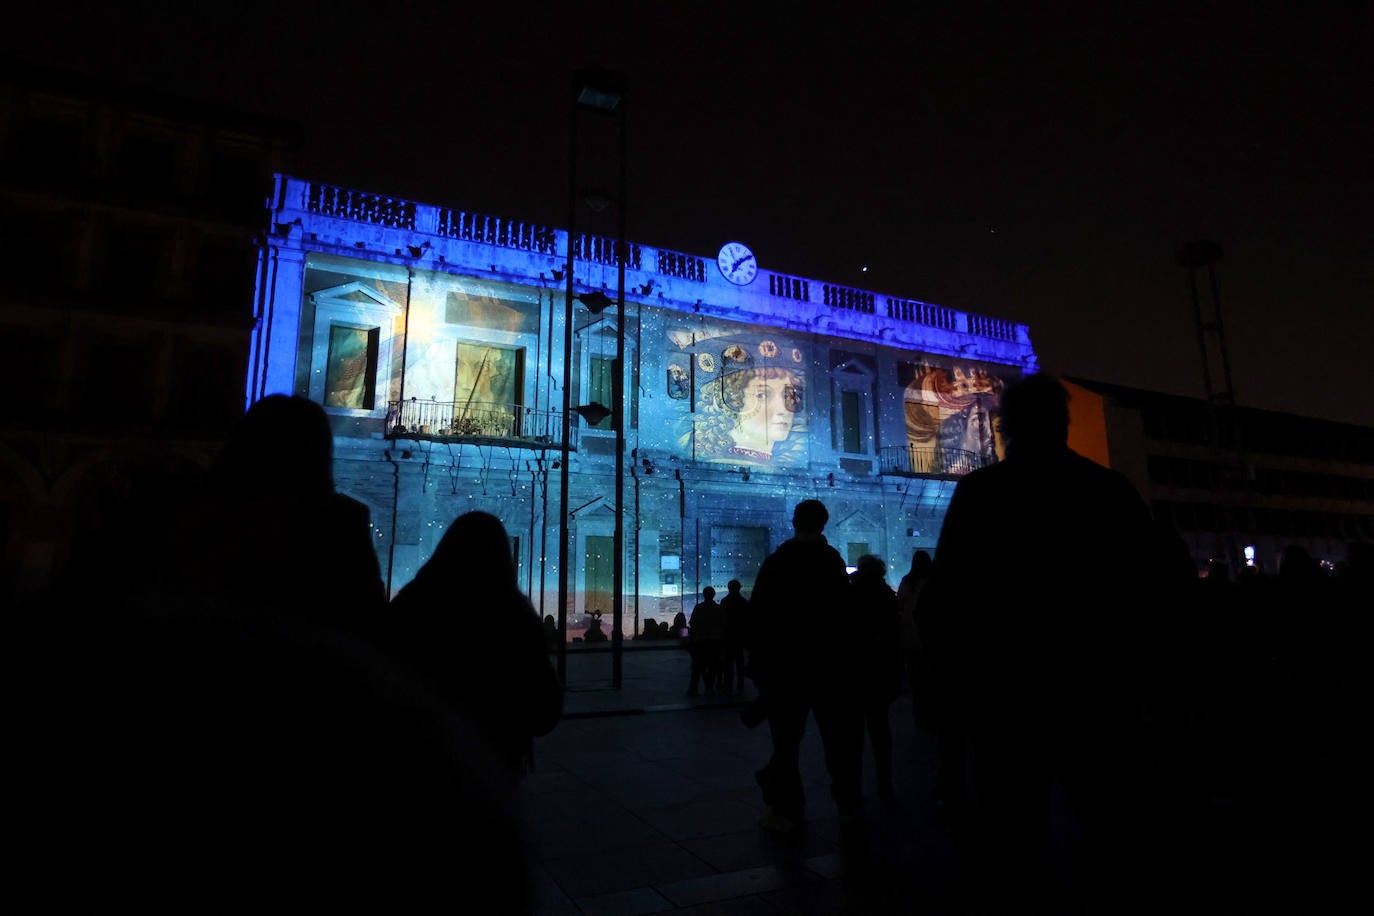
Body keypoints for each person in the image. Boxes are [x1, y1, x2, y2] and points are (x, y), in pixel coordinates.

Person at [917, 373, 1173, 914]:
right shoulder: (1110, 491)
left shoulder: (982, 494)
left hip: (1009, 696)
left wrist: (952, 681)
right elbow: (1152, 594)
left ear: (1005, 427)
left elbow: (945, 599)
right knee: (1114, 830)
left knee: (1014, 839)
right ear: (1063, 424)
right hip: (1098, 693)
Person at [386, 510, 563, 776]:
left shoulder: (411, 605)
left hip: (418, 760)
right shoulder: (514, 617)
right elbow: (544, 709)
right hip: (492, 765)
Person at [747, 499, 863, 833]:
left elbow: (760, 617)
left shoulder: (778, 562)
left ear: (794, 521)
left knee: (786, 743)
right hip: (830, 668)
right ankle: (848, 806)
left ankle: (787, 810)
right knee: (840, 741)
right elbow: (845, 617)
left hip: (787, 669)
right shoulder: (833, 562)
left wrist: (760, 668)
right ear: (823, 524)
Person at [850, 554, 903, 800]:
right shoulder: (887, 596)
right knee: (881, 731)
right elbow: (895, 636)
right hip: (880, 673)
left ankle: (854, 786)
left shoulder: (850, 593)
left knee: (853, 735)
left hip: (855, 673)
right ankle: (885, 781)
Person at [687, 586, 727, 695]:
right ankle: (710, 687)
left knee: (698, 665)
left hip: (701, 640)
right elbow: (723, 624)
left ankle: (694, 688)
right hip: (716, 641)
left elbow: (693, 623)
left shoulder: (699, 608)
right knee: (713, 665)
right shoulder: (718, 609)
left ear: (704, 595)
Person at [720, 578, 751, 693]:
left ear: (729, 588)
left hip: (728, 636)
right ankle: (740, 685)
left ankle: (728, 685)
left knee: (728, 663)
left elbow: (722, 620)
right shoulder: (744, 602)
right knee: (740, 662)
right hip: (740, 636)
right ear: (739, 588)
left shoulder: (725, 601)